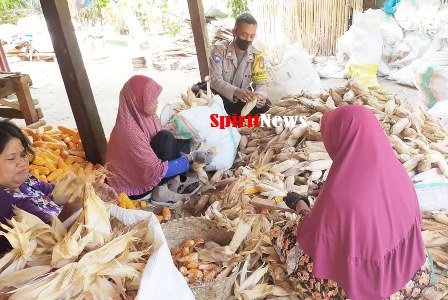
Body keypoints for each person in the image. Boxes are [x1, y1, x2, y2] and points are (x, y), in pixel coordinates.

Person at [271, 105, 433, 300]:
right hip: (412, 277)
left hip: (366, 293)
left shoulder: (339, 199)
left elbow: (312, 238)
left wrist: (300, 204)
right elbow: (373, 202)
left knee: (285, 234)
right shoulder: (396, 170)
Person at [0, 121, 116, 253]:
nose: (21, 162)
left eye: (22, 154)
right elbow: (49, 236)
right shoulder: (5, 201)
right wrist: (73, 207)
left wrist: (89, 190)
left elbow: (55, 193)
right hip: (48, 259)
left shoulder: (25, 183)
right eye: (11, 158)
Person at [106, 75, 215, 203]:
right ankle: (160, 191)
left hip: (146, 166)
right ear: (137, 102)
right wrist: (192, 157)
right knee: (166, 138)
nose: (157, 102)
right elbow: (156, 169)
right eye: (151, 100)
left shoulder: (144, 115)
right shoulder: (130, 133)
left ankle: (172, 181)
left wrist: (186, 156)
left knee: (182, 136)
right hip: (133, 185)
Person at [199, 13, 270, 117]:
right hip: (221, 96)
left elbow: (260, 83)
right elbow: (215, 80)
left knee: (267, 109)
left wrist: (261, 95)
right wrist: (236, 91)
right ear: (234, 32)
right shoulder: (219, 50)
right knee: (213, 116)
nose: (247, 39)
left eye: (252, 36)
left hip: (243, 98)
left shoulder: (257, 56)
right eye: (244, 34)